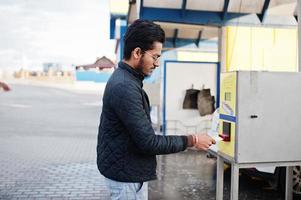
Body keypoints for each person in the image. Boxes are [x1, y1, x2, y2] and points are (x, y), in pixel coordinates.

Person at [96, 19, 216, 200]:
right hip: (127, 179)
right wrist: (193, 140)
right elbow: (149, 142)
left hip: (126, 171)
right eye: (155, 56)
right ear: (137, 52)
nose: (157, 63)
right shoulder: (125, 87)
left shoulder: (126, 80)